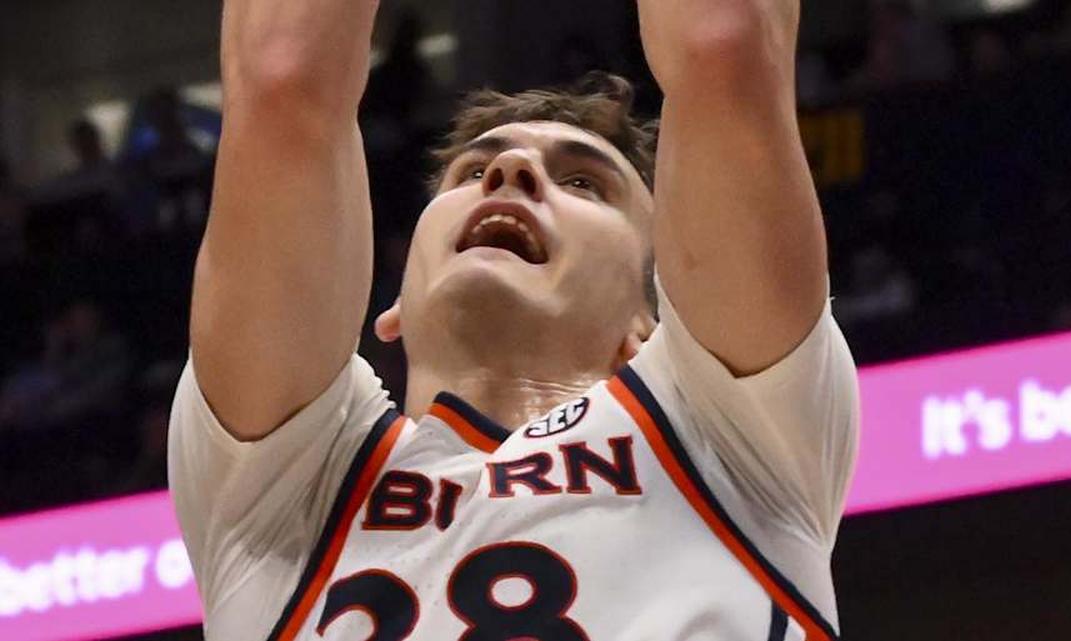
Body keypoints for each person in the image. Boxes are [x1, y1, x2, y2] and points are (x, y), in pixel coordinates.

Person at [169, 1, 859, 640]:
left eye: (584, 182)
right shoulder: (287, 478)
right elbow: (283, 83)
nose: (513, 168)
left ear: (651, 322)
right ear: (395, 307)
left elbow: (724, 45)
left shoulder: (734, 430)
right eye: (470, 173)